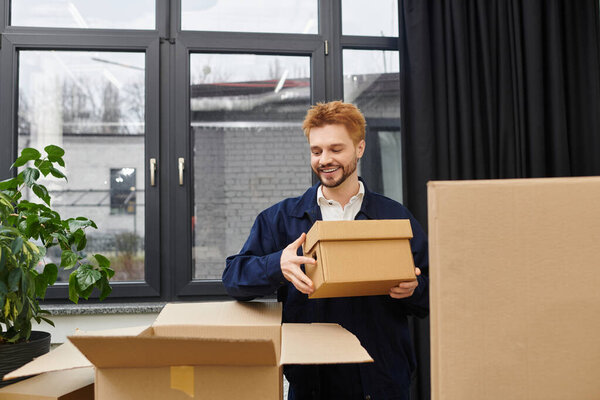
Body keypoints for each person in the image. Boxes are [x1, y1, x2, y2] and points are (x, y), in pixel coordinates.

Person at [223, 101, 429, 400]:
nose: (324, 160)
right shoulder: (280, 219)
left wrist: (414, 289)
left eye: (335, 149)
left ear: (359, 148)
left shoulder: (394, 217)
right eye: (316, 151)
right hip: (312, 385)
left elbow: (435, 293)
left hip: (382, 383)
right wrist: (276, 265)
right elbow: (232, 278)